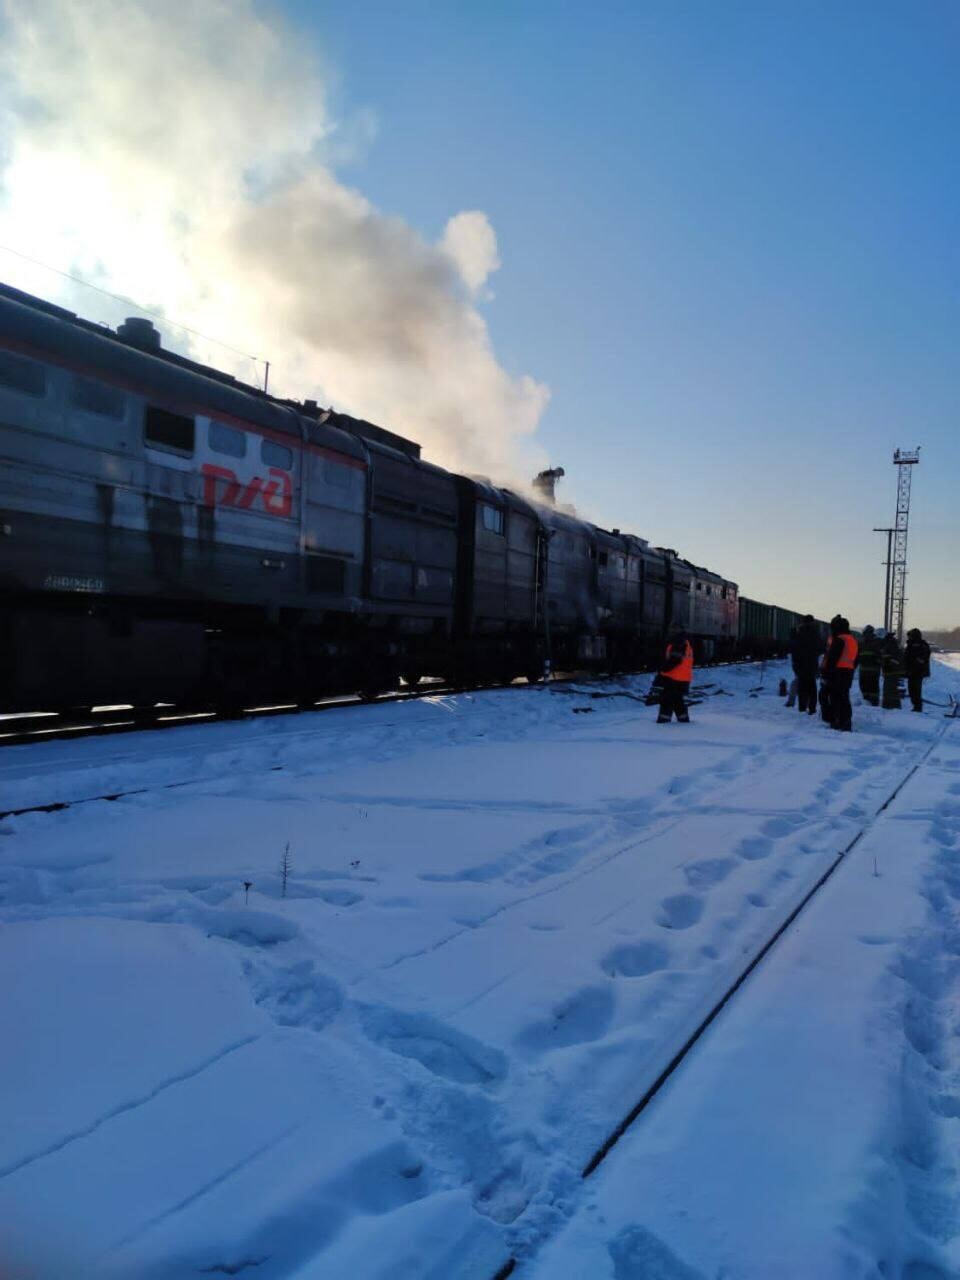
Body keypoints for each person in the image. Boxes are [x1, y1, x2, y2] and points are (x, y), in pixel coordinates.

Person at [822, 615, 858, 731]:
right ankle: (846, 722)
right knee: (844, 698)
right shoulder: (852, 640)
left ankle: (836, 721)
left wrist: (826, 673)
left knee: (835, 698)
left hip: (836, 673)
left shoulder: (839, 639)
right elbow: (856, 659)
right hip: (848, 673)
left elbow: (832, 658)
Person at [657, 626, 693, 723]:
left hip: (673, 678)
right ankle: (684, 721)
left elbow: (674, 660)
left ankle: (663, 723)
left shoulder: (678, 643)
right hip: (683, 679)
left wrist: (662, 672)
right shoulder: (686, 643)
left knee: (667, 701)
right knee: (679, 701)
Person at [790, 614, 823, 716]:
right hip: (812, 664)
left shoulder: (799, 633)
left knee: (802, 687)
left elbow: (794, 648)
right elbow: (820, 649)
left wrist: (795, 664)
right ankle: (812, 708)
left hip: (800, 664)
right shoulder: (815, 634)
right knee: (812, 687)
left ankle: (802, 708)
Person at [904, 628, 931, 712]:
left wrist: (915, 661)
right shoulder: (910, 645)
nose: (909, 638)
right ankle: (916, 706)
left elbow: (923, 658)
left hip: (918, 671)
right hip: (911, 671)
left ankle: (917, 707)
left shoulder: (922, 645)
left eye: (910, 636)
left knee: (916, 690)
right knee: (911, 690)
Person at [857, 625, 881, 706]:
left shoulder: (876, 643)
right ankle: (868, 701)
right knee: (865, 687)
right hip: (866, 670)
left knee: (872, 688)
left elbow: (880, 656)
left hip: (871, 670)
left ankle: (873, 703)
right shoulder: (862, 643)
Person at [881, 634, 905, 709]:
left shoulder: (891, 645)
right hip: (891, 670)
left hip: (892, 671)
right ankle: (890, 704)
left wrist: (888, 662)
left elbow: (894, 659)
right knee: (890, 689)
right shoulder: (892, 644)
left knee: (890, 689)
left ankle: (891, 705)